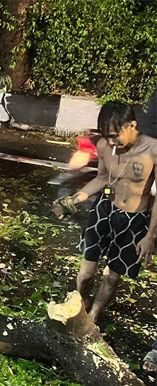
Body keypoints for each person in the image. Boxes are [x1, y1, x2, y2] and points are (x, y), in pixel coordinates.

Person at [53, 102, 156, 329]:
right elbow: (101, 179)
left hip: (134, 220)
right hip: (104, 210)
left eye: (114, 136)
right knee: (86, 274)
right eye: (106, 136)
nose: (110, 142)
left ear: (132, 125)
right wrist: (72, 201)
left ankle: (93, 316)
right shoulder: (104, 146)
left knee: (112, 277)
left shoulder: (153, 150)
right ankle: (81, 305)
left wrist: (150, 236)